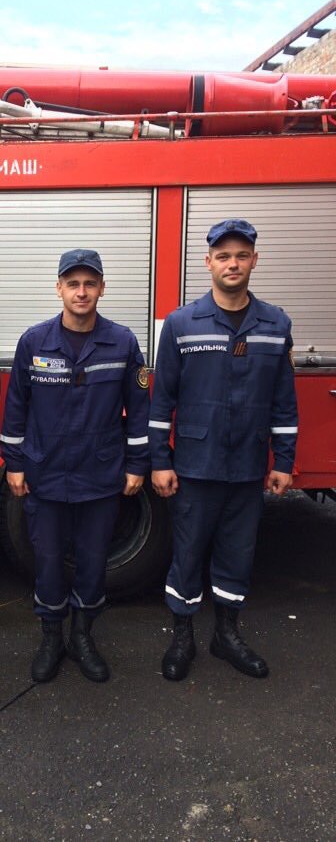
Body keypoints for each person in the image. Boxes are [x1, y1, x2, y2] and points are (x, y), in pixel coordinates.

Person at [150, 219, 298, 681]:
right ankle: (182, 636)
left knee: (238, 554)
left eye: (241, 255)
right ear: (208, 262)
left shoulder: (276, 324)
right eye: (223, 256)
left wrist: (284, 460)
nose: (232, 264)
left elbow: (284, 400)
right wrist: (159, 461)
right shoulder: (181, 323)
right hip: (195, 466)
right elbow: (161, 400)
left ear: (254, 260)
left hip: (248, 465)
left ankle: (226, 635)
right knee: (188, 554)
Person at [0, 249, 150, 683]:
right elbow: (17, 407)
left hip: (99, 476)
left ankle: (83, 636)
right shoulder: (35, 342)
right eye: (73, 284)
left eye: (89, 283)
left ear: (101, 288)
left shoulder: (122, 342)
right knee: (47, 561)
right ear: (59, 289)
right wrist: (14, 463)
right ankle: (51, 637)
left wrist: (137, 463)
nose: (81, 292)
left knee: (93, 561)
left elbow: (139, 409)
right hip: (45, 475)